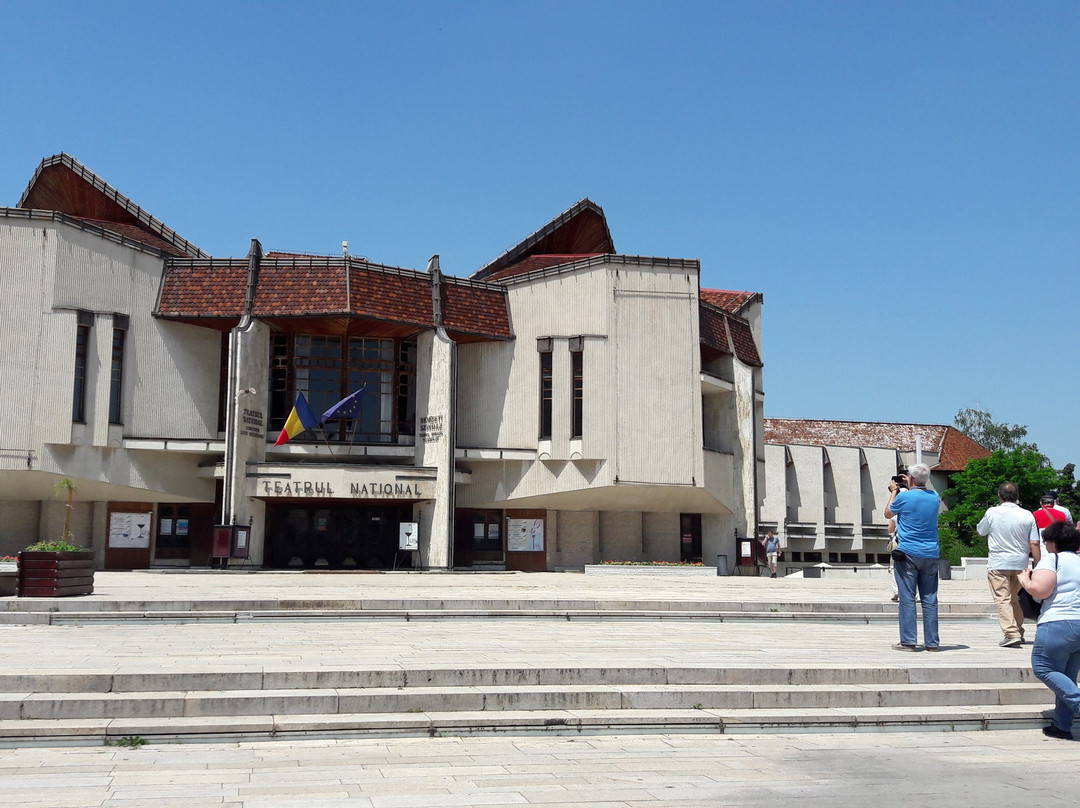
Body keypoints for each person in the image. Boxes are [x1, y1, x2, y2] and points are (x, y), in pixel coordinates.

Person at [1017, 521, 1080, 739]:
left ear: (1053, 542)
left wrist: (1025, 580)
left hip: (1058, 622)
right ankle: (1062, 726)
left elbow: (1041, 591)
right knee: (1067, 678)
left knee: (1043, 667)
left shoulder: (1052, 559)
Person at [885, 463, 941, 651]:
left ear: (911, 479)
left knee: (908, 598)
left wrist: (894, 491)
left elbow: (888, 513)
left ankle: (909, 641)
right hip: (931, 552)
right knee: (930, 599)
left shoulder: (905, 497)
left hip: (908, 552)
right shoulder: (935, 497)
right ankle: (932, 642)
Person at [976, 482, 1040, 647]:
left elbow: (980, 531)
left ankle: (1011, 633)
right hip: (1021, 563)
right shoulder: (1027, 515)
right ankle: (1018, 630)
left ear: (999, 496)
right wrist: (1038, 566)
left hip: (998, 562)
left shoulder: (992, 512)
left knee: (1002, 599)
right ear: (1018, 497)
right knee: (1014, 598)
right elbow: (1034, 543)